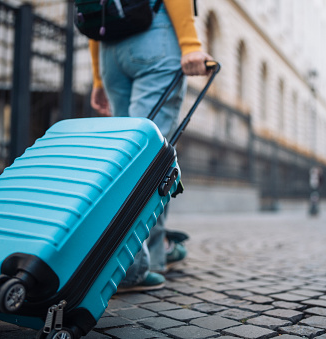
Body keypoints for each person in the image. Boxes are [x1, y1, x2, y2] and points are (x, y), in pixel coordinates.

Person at [88, 0, 213, 292]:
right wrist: (191, 44)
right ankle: (133, 266)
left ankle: (155, 250)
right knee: (149, 159)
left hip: (110, 49)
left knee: (127, 158)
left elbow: (93, 9)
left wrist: (97, 77)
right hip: (154, 35)